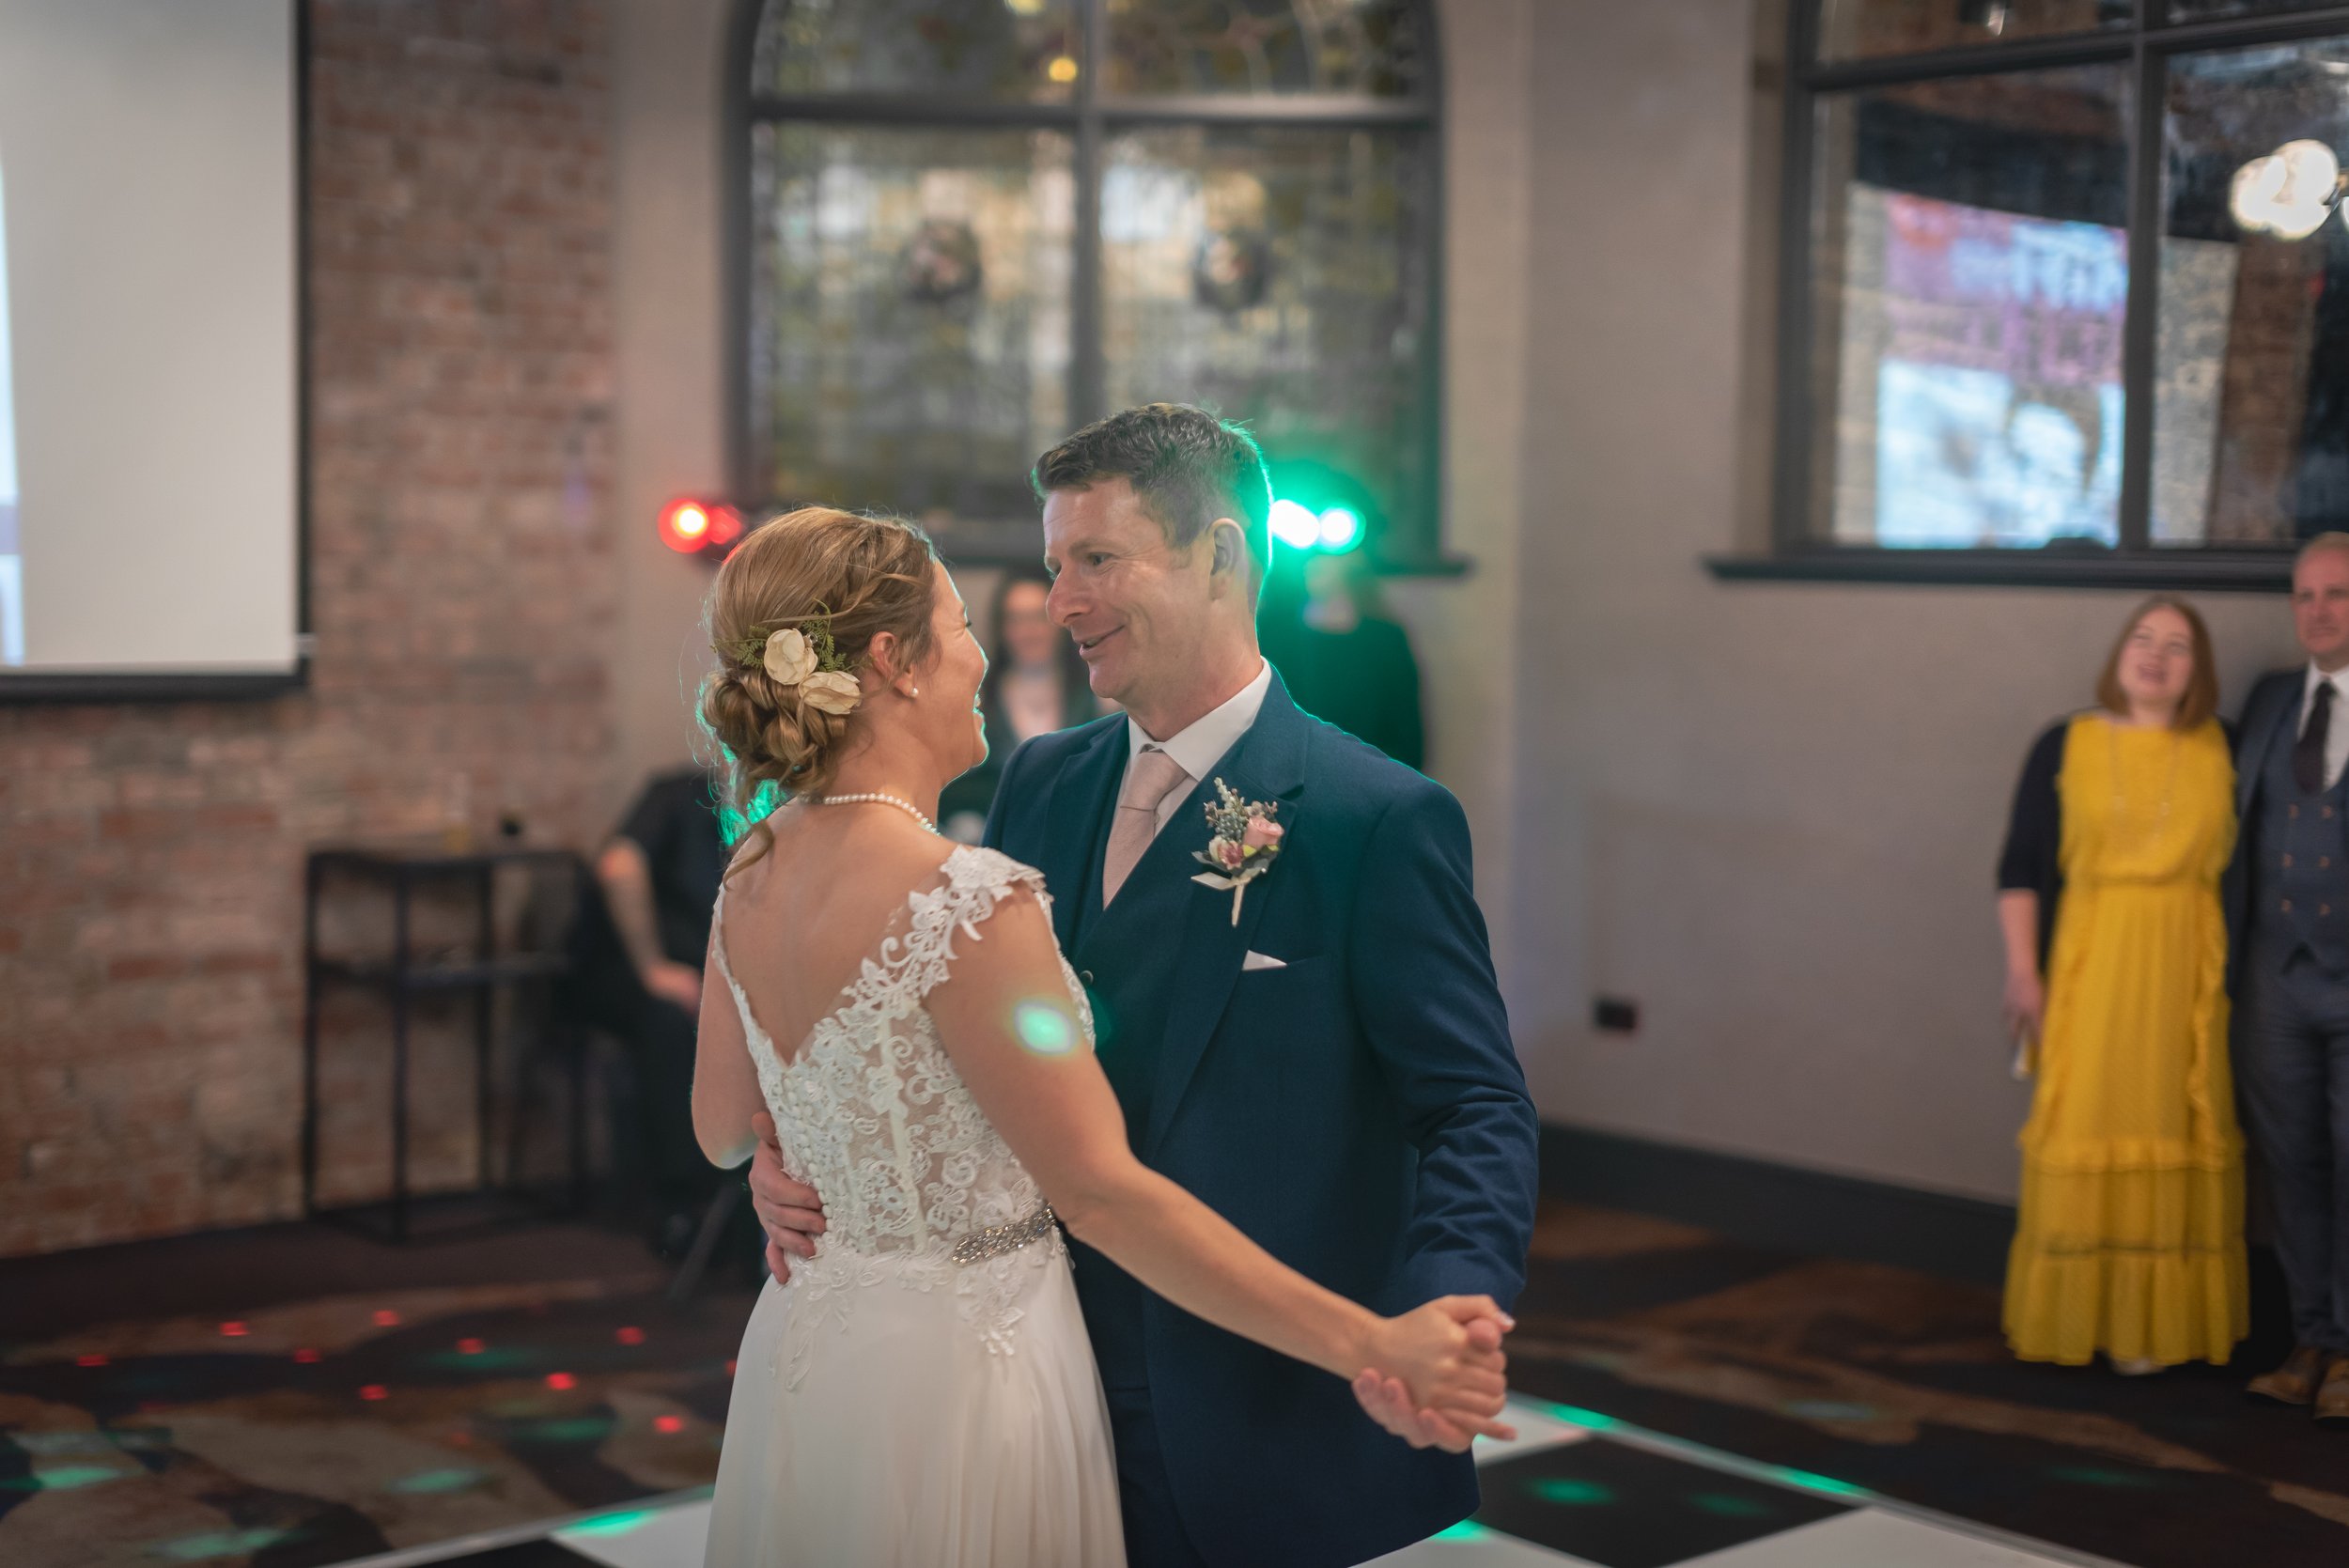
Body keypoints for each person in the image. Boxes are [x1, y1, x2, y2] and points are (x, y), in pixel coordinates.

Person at [748, 406, 1541, 1566]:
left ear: (1219, 555)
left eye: (1097, 560)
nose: (1061, 600)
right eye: (1057, 563)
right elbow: (944, 1046)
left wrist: (1445, 1299)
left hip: (1265, 1398)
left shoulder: (1377, 819)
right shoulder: (1039, 781)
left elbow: (1473, 1103)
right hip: (1033, 1380)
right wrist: (795, 1159)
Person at [1996, 596, 2248, 1374]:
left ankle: (2152, 1328)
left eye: (2178, 646)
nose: (2156, 655)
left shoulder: (2227, 747)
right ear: (2118, 652)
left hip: (2185, 971)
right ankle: (2088, 1315)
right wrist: (2022, 969)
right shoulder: (2062, 744)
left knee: (2170, 1126)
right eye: (2143, 637)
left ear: (2196, 671)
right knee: (2090, 1126)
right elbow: (2019, 867)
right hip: (2091, 967)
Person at [2227, 532, 2349, 1424]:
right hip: (2272, 979)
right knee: (2293, 1162)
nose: (2318, 610)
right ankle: (2310, 1337)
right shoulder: (2268, 699)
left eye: (2337, 593)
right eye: (2305, 595)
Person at [561, 768, 729, 1246]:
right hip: (624, 976)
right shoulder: (680, 794)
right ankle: (681, 1204)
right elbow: (619, 865)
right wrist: (653, 967)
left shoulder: (780, 813)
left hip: (716, 984)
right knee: (672, 1021)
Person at [938, 562, 1100, 840]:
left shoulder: (1098, 696)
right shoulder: (977, 699)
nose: (1029, 631)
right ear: (1002, 627)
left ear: (1059, 622)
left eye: (1038, 617)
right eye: (1016, 619)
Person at [1257, 550, 1427, 769]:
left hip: (1368, 782)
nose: (1314, 561)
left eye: (1326, 553)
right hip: (1285, 780)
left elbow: (1406, 730)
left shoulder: (1384, 640)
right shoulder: (1273, 633)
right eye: (1310, 555)